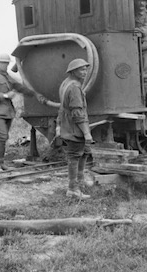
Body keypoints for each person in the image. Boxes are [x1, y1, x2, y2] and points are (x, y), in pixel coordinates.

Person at [0, 53, 36, 172]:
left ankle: (0, 163)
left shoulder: (6, 76)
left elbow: (18, 86)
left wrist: (33, 93)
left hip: (7, 112)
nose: (5, 65)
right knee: (2, 137)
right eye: (3, 63)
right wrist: (5, 95)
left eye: (7, 63)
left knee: (3, 137)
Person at [58, 58, 94, 199]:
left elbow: (61, 108)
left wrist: (58, 125)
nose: (85, 72)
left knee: (85, 152)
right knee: (74, 157)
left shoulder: (65, 83)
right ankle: (72, 189)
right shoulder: (74, 87)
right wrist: (86, 133)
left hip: (68, 125)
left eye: (85, 69)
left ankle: (80, 181)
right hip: (74, 128)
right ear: (73, 71)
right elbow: (77, 113)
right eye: (81, 69)